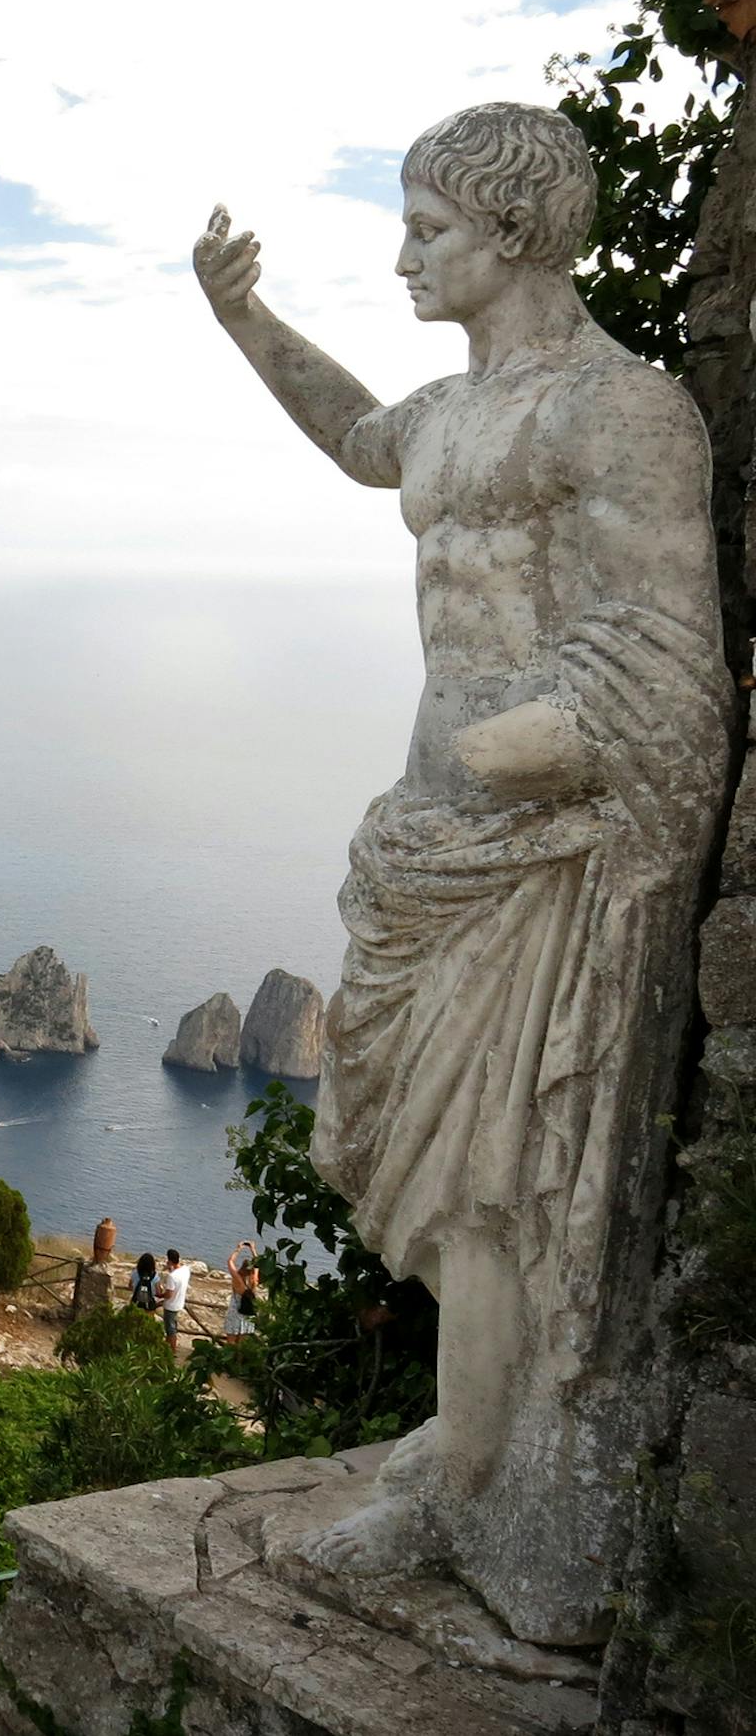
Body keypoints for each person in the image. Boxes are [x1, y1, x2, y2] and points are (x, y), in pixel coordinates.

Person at [195, 104, 735, 1641]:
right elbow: (355, 433)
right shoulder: (449, 414)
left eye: (427, 229)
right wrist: (245, 321)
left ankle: (487, 1483)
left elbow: (672, 660)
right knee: (439, 1174)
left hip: (542, 851)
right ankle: (472, 1441)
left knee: (501, 1173)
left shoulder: (621, 411)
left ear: (513, 229)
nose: (403, 257)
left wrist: (529, 748)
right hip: (431, 845)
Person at [224, 1242, 259, 1343]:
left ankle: (230, 1354)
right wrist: (253, 1249)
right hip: (248, 1314)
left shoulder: (238, 1280)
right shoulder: (254, 1280)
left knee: (231, 1342)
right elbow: (258, 1264)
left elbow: (230, 1261)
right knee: (243, 1343)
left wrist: (238, 1249)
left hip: (235, 1311)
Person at [157, 1248, 190, 1350]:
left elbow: (169, 1294)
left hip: (171, 1305)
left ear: (169, 1261)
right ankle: (167, 1347)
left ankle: (172, 1349)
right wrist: (170, 1268)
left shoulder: (172, 1277)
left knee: (170, 1330)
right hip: (179, 1303)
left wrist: (160, 1295)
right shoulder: (186, 1270)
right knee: (172, 1327)